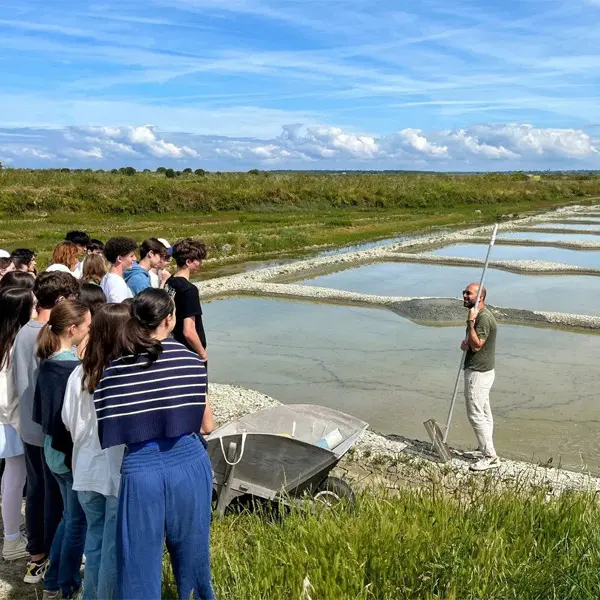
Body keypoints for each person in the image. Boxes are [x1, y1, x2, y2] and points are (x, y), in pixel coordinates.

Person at [94, 289, 214, 599]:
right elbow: (206, 424)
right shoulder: (191, 362)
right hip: (189, 461)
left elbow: (108, 428)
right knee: (193, 555)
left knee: (138, 562)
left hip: (141, 466)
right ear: (170, 319)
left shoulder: (114, 371)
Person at [13, 271, 80, 584]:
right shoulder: (49, 337)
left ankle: (36, 556)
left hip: (27, 426)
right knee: (54, 500)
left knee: (37, 493)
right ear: (63, 300)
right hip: (48, 432)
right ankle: (52, 560)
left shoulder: (23, 330)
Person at [63, 304, 129, 600]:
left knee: (95, 541)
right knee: (113, 548)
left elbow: (68, 421)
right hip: (114, 473)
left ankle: (90, 594)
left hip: (85, 468)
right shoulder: (125, 373)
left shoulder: (79, 372)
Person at [34, 300, 91, 600]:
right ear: (73, 329)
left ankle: (53, 580)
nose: (89, 331)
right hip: (67, 454)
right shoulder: (72, 369)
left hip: (50, 449)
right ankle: (67, 584)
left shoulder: (47, 361)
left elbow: (40, 413)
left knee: (68, 518)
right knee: (76, 522)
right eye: (87, 326)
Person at [0, 287, 34, 561]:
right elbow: (6, 398)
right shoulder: (10, 347)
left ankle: (12, 531)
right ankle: (11, 540)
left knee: (12, 476)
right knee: (15, 476)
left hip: (8, 421)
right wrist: (22, 426)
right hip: (10, 422)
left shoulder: (6, 341)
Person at [460, 283, 499, 472]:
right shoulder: (478, 315)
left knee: (475, 414)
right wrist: (466, 343)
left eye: (469, 293)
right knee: (484, 412)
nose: (464, 295)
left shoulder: (482, 317)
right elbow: (473, 344)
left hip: (478, 372)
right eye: (464, 292)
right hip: (483, 370)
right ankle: (484, 449)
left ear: (480, 297)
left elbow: (477, 346)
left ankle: (490, 456)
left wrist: (470, 323)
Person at [165, 238, 208, 362]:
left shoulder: (170, 281)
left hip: (173, 344)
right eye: (198, 260)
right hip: (190, 350)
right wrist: (202, 353)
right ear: (188, 261)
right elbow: (188, 331)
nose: (200, 263)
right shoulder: (189, 290)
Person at [100, 237, 137, 303]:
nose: (135, 259)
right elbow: (119, 308)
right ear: (119, 258)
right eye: (131, 256)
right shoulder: (117, 283)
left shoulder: (107, 277)